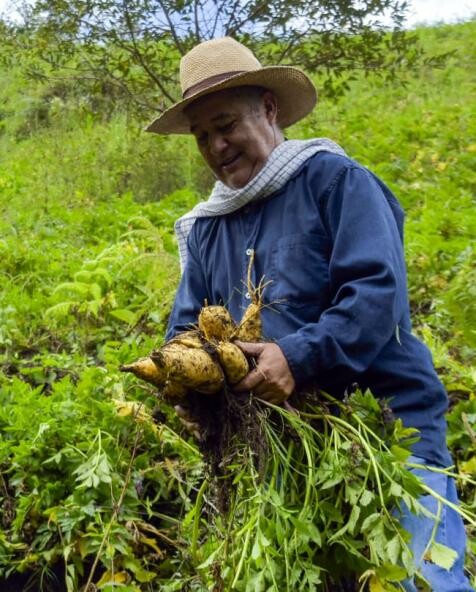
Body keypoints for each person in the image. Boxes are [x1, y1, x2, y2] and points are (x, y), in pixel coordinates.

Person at [145, 37, 471, 590]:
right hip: (283, 448)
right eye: (202, 136)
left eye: (226, 125)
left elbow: (376, 295)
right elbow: (187, 324)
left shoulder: (336, 181)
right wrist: (183, 369)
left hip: (387, 428)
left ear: (269, 110)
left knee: (423, 578)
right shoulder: (206, 227)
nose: (216, 145)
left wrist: (295, 354)